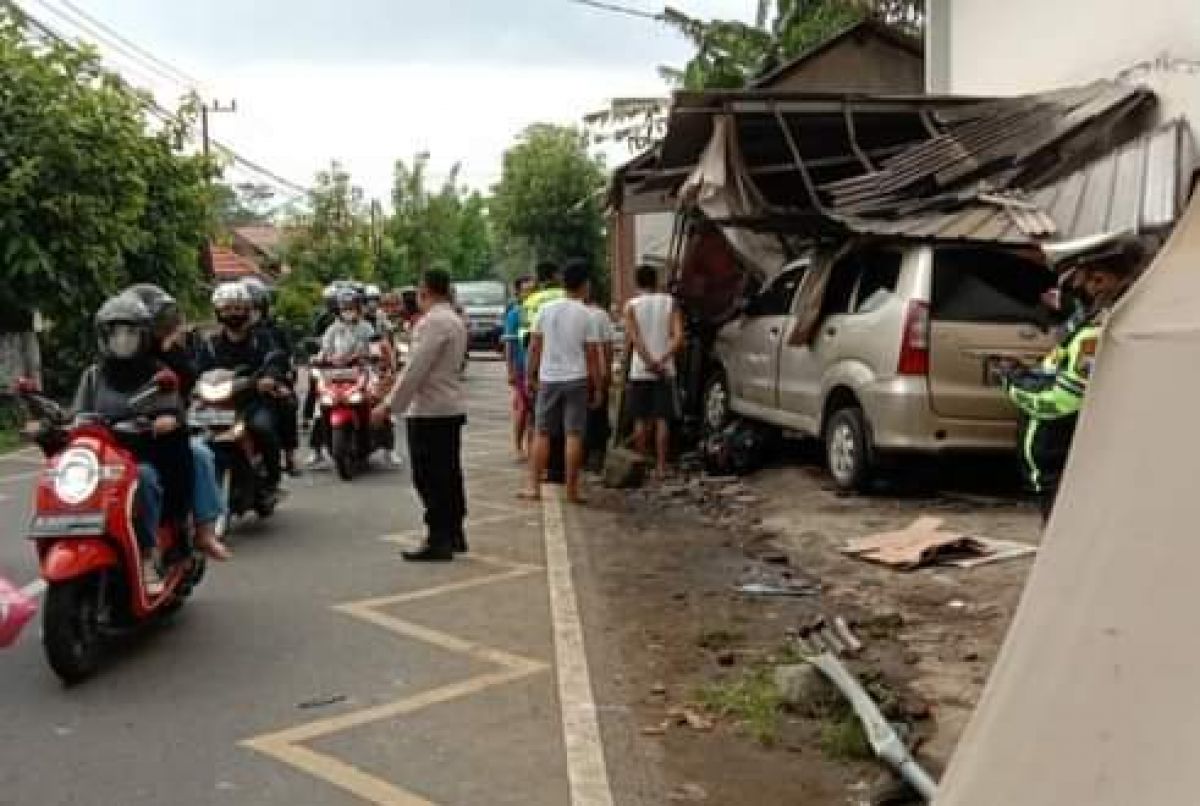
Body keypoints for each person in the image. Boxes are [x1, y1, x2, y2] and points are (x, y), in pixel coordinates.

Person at [1006, 234, 1142, 522]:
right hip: (1063, 464)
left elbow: (1062, 402)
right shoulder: (1091, 324)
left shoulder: (1096, 331)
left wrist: (1012, 382)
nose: (1076, 289)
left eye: (1079, 280)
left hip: (1062, 465)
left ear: (1101, 280)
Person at [68, 294, 192, 590]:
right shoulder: (94, 375)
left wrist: (164, 421)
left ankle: (149, 553)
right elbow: (77, 414)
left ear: (143, 335)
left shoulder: (158, 374)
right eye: (115, 332)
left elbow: (171, 409)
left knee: (146, 479)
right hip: (99, 457)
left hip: (140, 455)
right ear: (104, 336)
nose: (122, 340)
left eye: (130, 332)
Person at [121, 284, 231, 561]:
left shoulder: (171, 355)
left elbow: (188, 383)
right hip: (118, 439)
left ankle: (204, 532)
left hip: (163, 434)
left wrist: (171, 416)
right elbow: (87, 403)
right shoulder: (106, 366)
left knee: (200, 454)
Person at [372, 269, 469, 562]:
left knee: (429, 478)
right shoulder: (454, 319)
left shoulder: (433, 323)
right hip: (448, 406)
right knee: (449, 475)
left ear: (424, 290)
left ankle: (439, 537)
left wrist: (388, 405)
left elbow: (416, 369)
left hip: (430, 409)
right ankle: (453, 532)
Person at [521, 259, 603, 505]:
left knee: (542, 432)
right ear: (584, 285)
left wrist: (530, 375)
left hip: (549, 378)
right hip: (576, 379)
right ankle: (572, 491)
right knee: (573, 434)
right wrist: (597, 386)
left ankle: (534, 488)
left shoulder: (546, 310)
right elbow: (591, 355)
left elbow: (535, 346)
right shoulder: (587, 315)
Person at [196, 282, 286, 494]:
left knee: (262, 428)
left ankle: (273, 478)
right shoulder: (210, 344)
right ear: (218, 312)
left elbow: (276, 360)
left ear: (247, 311)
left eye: (237, 308)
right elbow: (196, 369)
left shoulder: (261, 339)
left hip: (252, 401)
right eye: (227, 309)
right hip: (217, 405)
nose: (232, 313)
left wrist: (269, 377)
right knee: (194, 436)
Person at [624, 264, 685, 480]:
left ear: (637, 282)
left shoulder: (631, 305)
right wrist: (662, 361)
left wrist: (649, 362)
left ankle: (641, 465)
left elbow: (635, 340)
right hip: (666, 370)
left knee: (640, 419)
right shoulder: (670, 303)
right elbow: (678, 337)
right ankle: (661, 466)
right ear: (656, 280)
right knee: (662, 419)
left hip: (640, 370)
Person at [243, 277, 301, 476]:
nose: (249, 313)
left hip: (269, 381)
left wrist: (279, 376)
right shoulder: (218, 339)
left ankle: (289, 456)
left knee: (287, 403)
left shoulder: (272, 331)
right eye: (245, 308)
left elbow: (283, 356)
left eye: (253, 308)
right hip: (236, 387)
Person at [502, 275, 535, 460]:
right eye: (526, 289)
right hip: (521, 368)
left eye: (533, 289)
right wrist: (510, 370)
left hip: (537, 368)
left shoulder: (538, 310)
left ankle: (532, 447)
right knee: (523, 408)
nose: (530, 293)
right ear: (518, 292)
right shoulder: (515, 314)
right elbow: (509, 344)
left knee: (534, 410)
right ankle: (517, 446)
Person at [584, 294, 615, 472]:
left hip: (576, 374)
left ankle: (581, 456)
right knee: (598, 414)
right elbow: (607, 346)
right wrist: (608, 370)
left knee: (578, 416)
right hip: (599, 372)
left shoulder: (571, 313)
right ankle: (597, 458)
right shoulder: (600, 315)